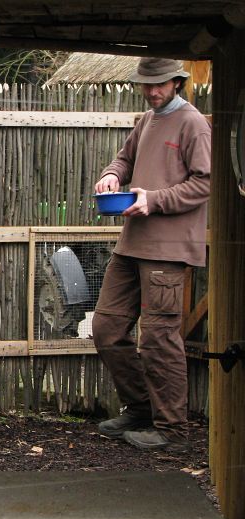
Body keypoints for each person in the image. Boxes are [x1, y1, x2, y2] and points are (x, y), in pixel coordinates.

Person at [92, 57, 211, 451]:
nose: (153, 92)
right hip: (132, 243)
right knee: (106, 330)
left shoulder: (193, 123)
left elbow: (204, 184)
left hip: (169, 249)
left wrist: (154, 200)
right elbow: (124, 158)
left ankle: (173, 431)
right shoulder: (146, 120)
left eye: (160, 85)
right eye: (147, 85)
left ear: (177, 82)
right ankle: (141, 408)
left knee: (159, 339)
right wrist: (113, 173)